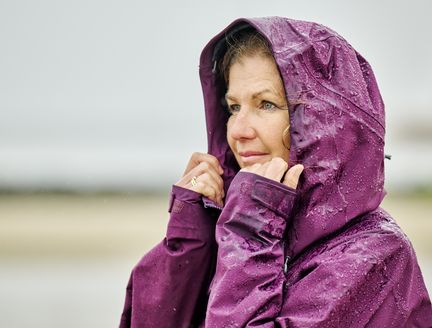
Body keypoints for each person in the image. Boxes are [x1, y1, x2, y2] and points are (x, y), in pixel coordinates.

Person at [120, 17, 432, 327]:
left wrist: (252, 230)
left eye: (266, 104)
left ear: (325, 124)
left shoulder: (373, 256)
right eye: (233, 108)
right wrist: (192, 240)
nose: (238, 131)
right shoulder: (234, 235)